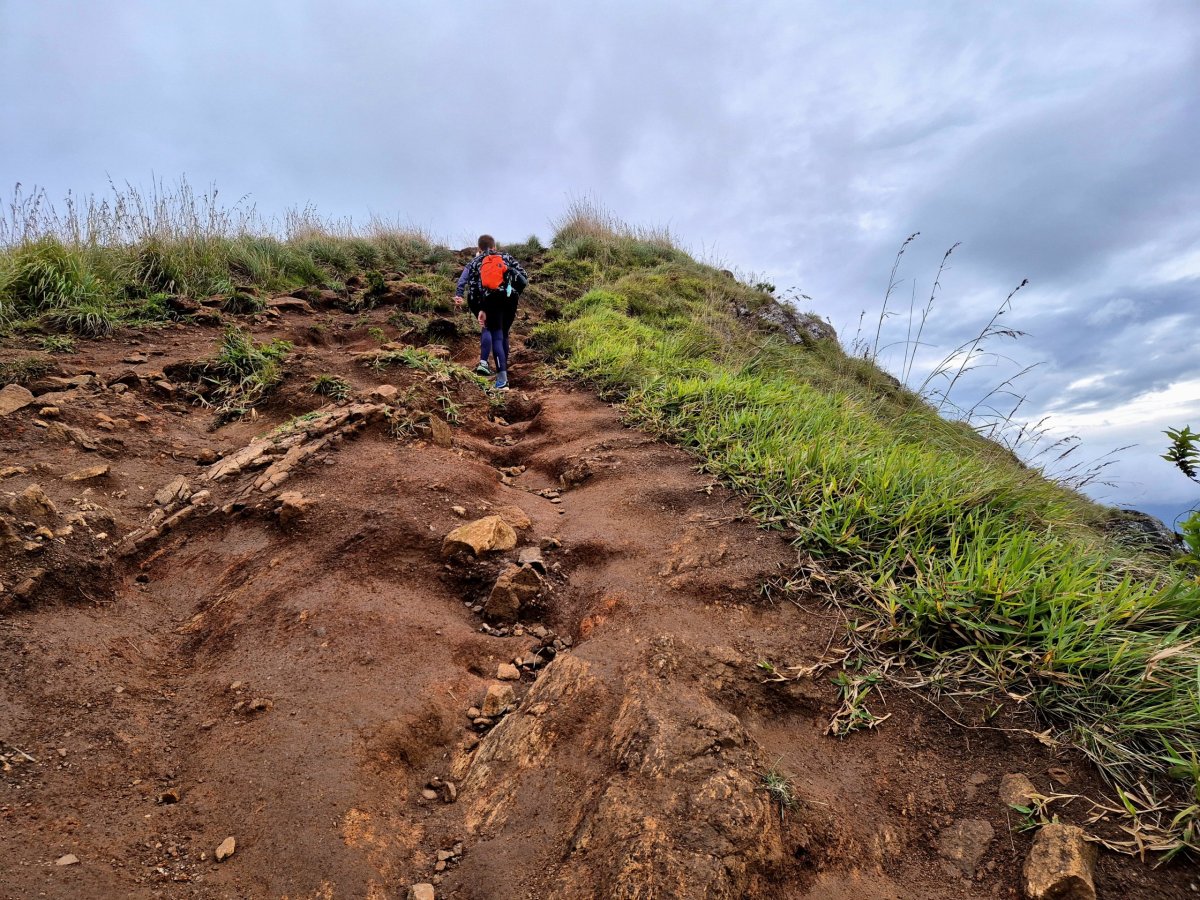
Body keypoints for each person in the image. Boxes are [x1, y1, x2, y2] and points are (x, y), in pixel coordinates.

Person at [454, 235, 528, 391]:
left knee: (496, 335)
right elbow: (523, 276)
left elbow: (474, 287)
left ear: (479, 249)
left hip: (491, 301)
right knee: (505, 334)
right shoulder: (506, 257)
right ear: (495, 246)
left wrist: (481, 308)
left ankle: (502, 380)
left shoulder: (476, 262)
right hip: (510, 299)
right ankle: (504, 371)